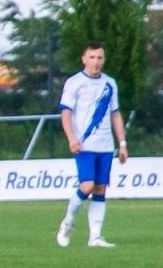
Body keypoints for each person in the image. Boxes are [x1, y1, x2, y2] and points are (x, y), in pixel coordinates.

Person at [55, 43, 128, 249]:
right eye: (92, 57)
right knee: (86, 185)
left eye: (100, 58)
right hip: (84, 144)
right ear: (84, 59)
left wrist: (122, 143)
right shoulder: (74, 83)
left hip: (105, 145)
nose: (96, 62)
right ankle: (67, 223)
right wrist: (71, 139)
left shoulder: (110, 83)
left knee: (100, 188)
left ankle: (95, 237)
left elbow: (115, 113)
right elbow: (66, 113)